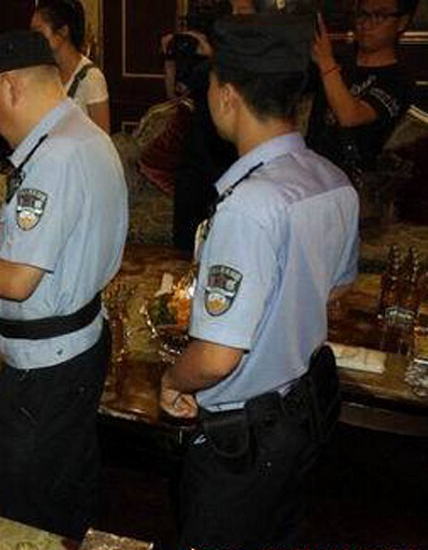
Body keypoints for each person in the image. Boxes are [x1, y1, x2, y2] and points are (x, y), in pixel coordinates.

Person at [159, 15, 359, 549]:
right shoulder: (332, 180)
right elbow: (337, 287)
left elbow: (216, 357)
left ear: (227, 95)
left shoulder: (249, 205)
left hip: (245, 439)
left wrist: (174, 380)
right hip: (301, 413)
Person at [0, 30, 127, 539]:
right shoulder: (86, 136)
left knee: (26, 503)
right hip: (81, 345)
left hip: (46, 366)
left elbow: (17, 281)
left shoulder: (52, 159)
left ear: (9, 86)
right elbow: (51, 252)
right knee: (69, 481)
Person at [161, 0, 255, 252]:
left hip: (229, 158)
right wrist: (170, 59)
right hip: (197, 154)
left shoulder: (258, 59)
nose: (235, 17)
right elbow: (175, 96)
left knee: (223, 243)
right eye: (231, 11)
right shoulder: (203, 67)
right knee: (186, 245)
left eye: (242, 12)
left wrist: (213, 57)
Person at [307, 0, 417, 178]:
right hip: (310, 168)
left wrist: (326, 63)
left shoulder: (397, 79)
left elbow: (350, 116)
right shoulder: (339, 61)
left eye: (379, 15)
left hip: (349, 180)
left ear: (401, 22)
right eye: (362, 14)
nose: (366, 24)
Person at [31, 0, 111, 132]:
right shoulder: (44, 72)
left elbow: (103, 138)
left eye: (38, 32)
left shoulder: (91, 78)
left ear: (63, 31)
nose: (33, 39)